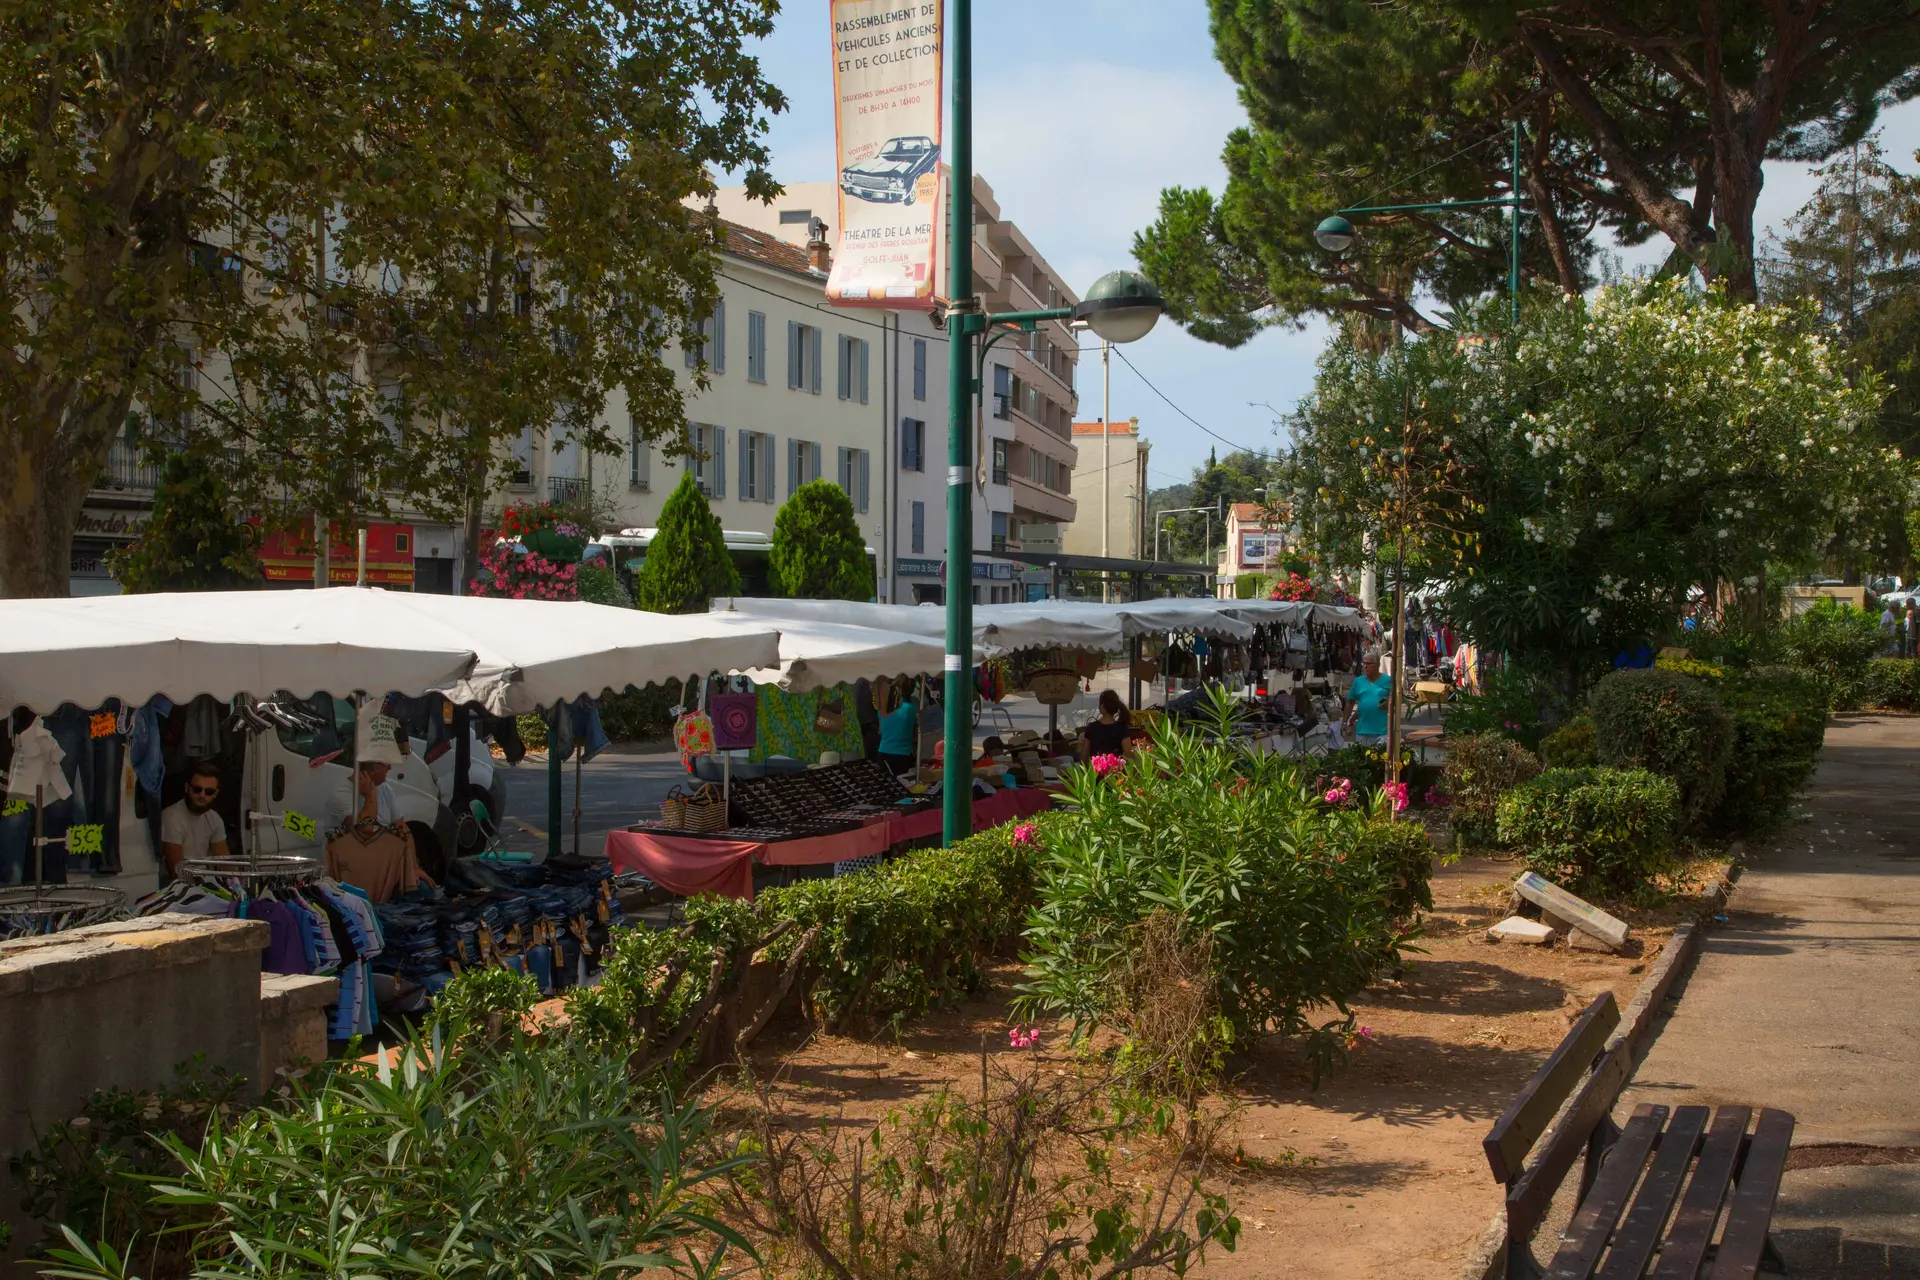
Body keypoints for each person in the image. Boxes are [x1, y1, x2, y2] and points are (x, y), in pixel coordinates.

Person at [160, 762, 229, 875]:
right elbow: (176, 869)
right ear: (187, 788)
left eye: (209, 792)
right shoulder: (172, 817)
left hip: (203, 880)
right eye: (197, 789)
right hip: (176, 884)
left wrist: (236, 884)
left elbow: (225, 862)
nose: (202, 795)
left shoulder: (214, 818)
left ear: (215, 794)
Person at [1344, 650, 1393, 747]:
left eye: (1369, 664)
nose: (1365, 666)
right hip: (1362, 731)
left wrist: (1390, 703)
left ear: (1378, 665)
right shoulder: (1358, 682)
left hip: (1382, 732)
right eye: (1364, 663)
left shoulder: (1388, 681)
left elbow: (1398, 699)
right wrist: (1345, 722)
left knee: (1379, 760)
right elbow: (1350, 703)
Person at [1080, 690, 1131, 762]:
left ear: (1102, 706)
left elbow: (1083, 758)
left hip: (1096, 771)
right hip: (1115, 771)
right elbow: (1129, 756)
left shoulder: (1092, 728)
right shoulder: (1121, 728)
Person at [876, 689, 918, 777]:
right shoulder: (912, 708)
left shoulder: (882, 708)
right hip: (903, 754)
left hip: (883, 751)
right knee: (901, 785)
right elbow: (916, 733)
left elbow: (880, 731)